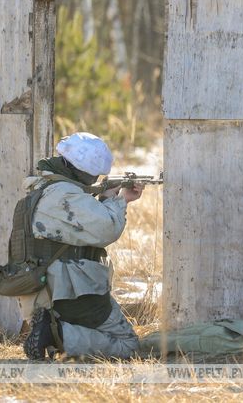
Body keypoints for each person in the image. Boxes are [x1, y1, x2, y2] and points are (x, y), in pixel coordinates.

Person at [14, 132, 145, 360]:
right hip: (72, 292)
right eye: (92, 176)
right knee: (129, 346)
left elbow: (79, 227)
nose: (94, 180)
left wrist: (105, 199)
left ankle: (54, 332)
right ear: (82, 172)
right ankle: (57, 334)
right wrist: (119, 200)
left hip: (45, 291)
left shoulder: (43, 188)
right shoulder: (63, 195)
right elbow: (107, 229)